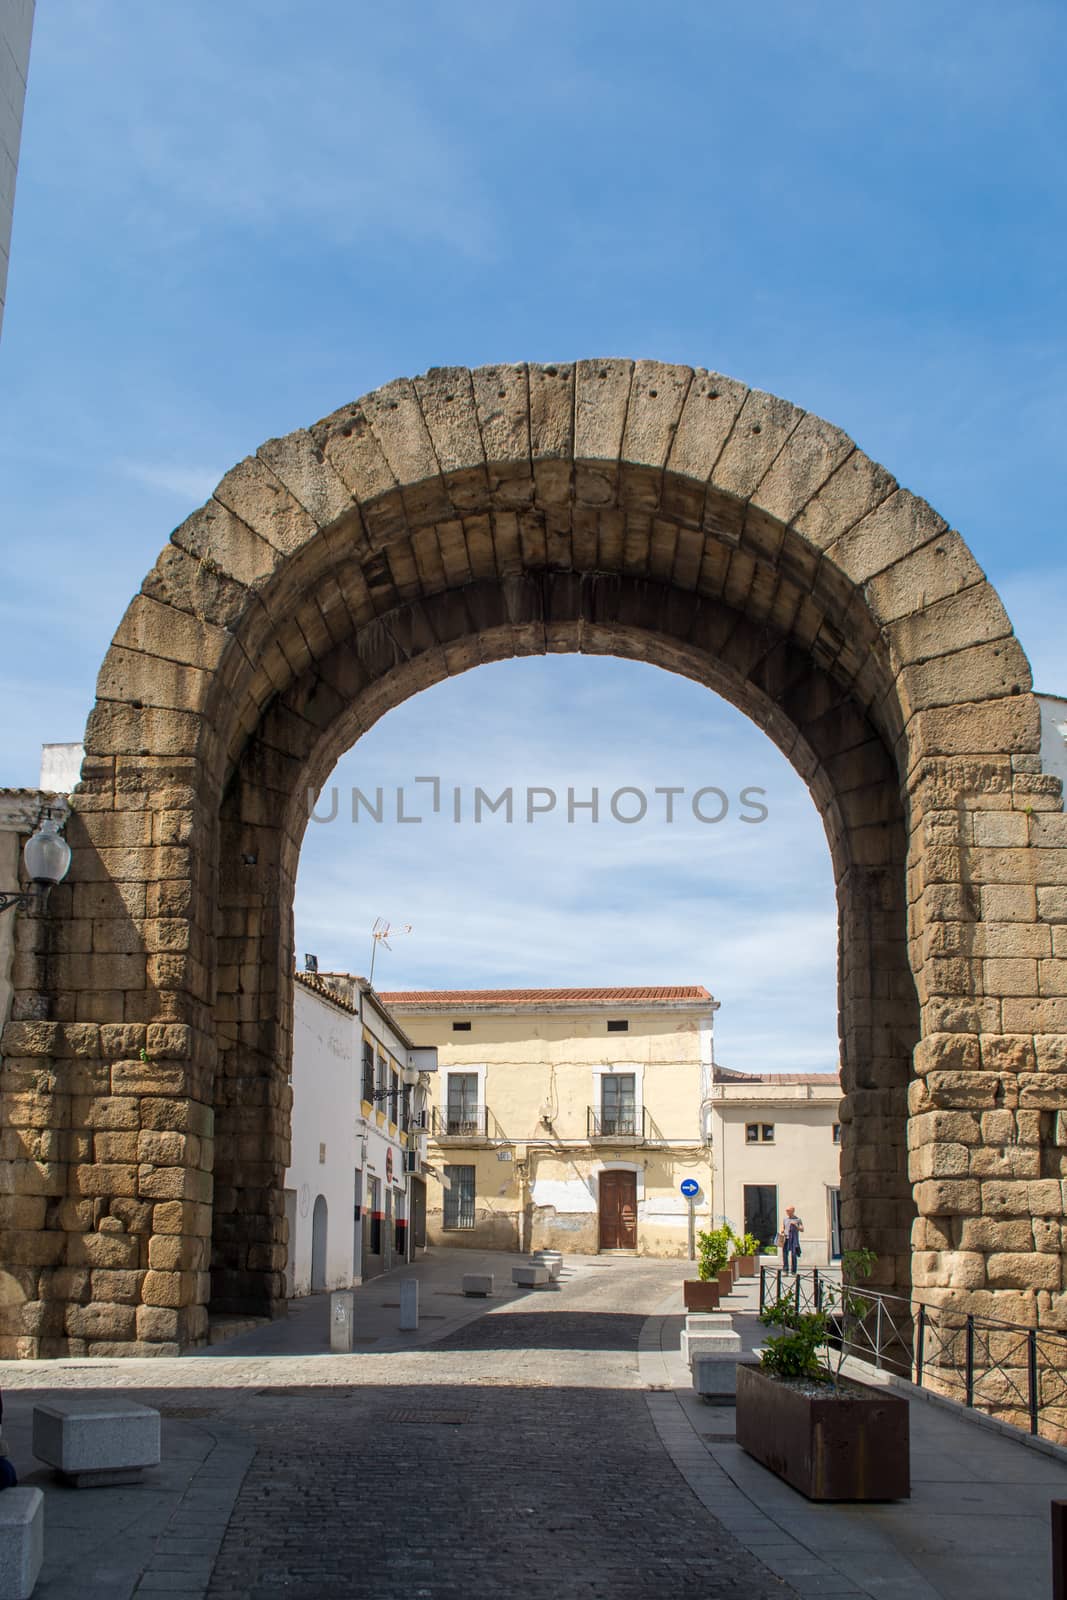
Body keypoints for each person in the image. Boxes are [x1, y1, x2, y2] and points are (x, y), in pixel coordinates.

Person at [779, 1206, 803, 1273]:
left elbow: (802, 1229)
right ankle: (785, 1269)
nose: (787, 1212)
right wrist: (782, 1231)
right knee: (785, 1254)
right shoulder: (785, 1219)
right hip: (786, 1238)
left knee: (793, 1254)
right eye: (786, 1211)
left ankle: (793, 1270)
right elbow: (783, 1227)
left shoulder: (798, 1219)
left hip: (794, 1239)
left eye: (788, 1211)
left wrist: (796, 1225)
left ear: (792, 1211)